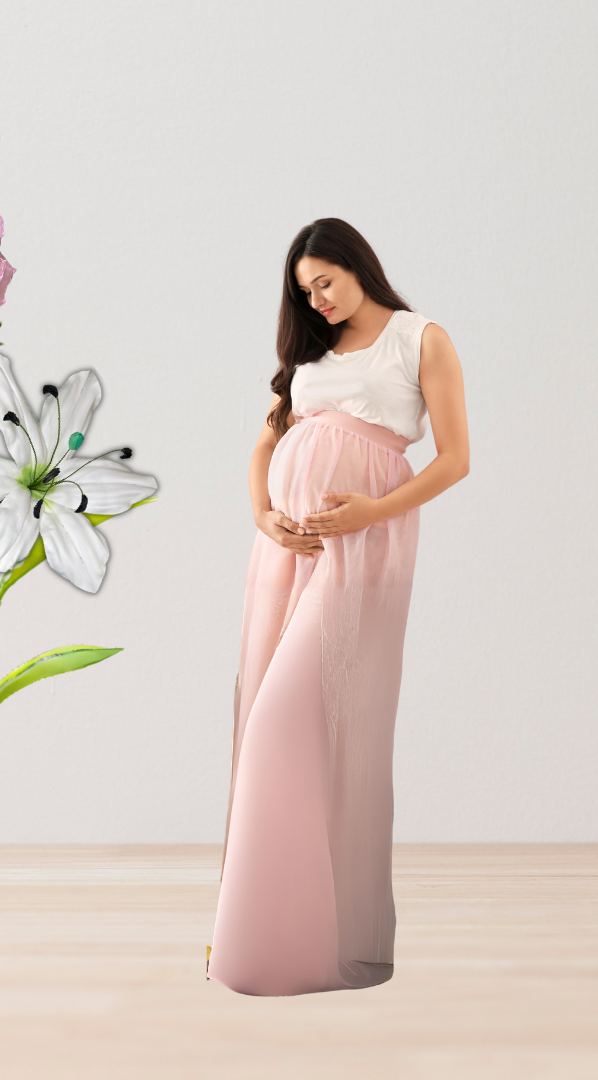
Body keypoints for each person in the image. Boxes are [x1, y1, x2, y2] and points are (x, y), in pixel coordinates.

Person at [208, 218, 469, 996]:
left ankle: (289, 943)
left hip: (366, 549)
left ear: (358, 267)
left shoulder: (421, 339)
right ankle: (256, 939)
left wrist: (368, 513)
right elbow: (264, 444)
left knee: (299, 723)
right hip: (286, 552)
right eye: (303, 291)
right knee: (265, 711)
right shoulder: (309, 358)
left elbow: (454, 459)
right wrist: (264, 514)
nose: (315, 300)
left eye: (324, 282)